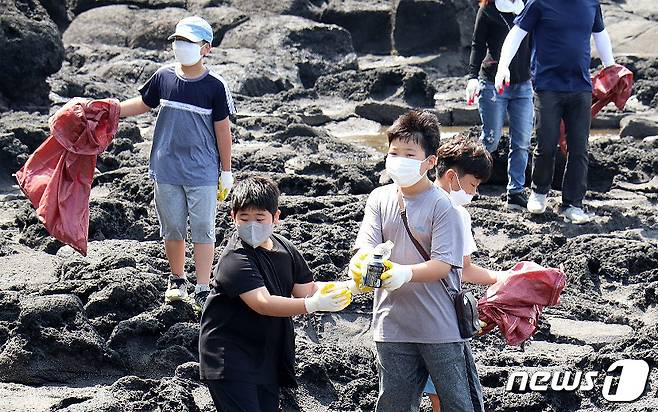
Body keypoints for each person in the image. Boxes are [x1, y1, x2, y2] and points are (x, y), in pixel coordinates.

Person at [349, 110, 485, 411]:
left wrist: (402, 273)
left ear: (430, 161)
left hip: (440, 327)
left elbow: (442, 265)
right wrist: (360, 265)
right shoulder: (379, 198)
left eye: (409, 153)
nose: (399, 159)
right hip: (391, 325)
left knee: (459, 404)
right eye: (394, 152)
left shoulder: (443, 207)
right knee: (393, 404)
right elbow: (365, 248)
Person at [198, 176, 352, 412]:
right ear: (233, 217)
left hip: (265, 356)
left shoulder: (285, 248)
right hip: (229, 357)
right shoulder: (235, 257)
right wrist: (310, 305)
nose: (251, 225)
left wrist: (354, 286)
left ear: (275, 217)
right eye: (244, 218)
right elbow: (262, 302)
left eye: (259, 218)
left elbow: (307, 289)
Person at [118, 16, 236, 309]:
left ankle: (203, 286)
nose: (181, 46)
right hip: (166, 168)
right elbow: (143, 104)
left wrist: (226, 172)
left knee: (203, 228)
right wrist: (109, 110)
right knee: (172, 227)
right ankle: (177, 278)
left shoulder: (215, 86)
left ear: (205, 48)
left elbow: (223, 131)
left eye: (188, 42)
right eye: (178, 41)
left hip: (202, 171)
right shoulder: (163, 76)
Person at [495, 0, 616, 224]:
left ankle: (573, 204)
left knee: (579, 148)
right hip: (547, 86)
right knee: (546, 142)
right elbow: (517, 33)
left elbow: (600, 34)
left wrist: (612, 69)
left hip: (581, 87)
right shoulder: (539, 2)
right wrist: (503, 65)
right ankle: (539, 192)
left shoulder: (591, 3)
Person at [424, 135, 512, 411]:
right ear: (452, 177)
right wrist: (503, 277)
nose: (473, 193)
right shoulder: (456, 212)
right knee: (451, 393)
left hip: (403, 316)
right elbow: (465, 270)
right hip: (439, 316)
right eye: (473, 185)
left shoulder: (412, 199)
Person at [467, 0, 533, 211]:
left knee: (522, 141)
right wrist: (472, 78)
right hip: (492, 84)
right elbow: (478, 44)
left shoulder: (530, 6)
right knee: (490, 140)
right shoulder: (488, 8)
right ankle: (470, 185)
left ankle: (515, 192)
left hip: (523, 85)